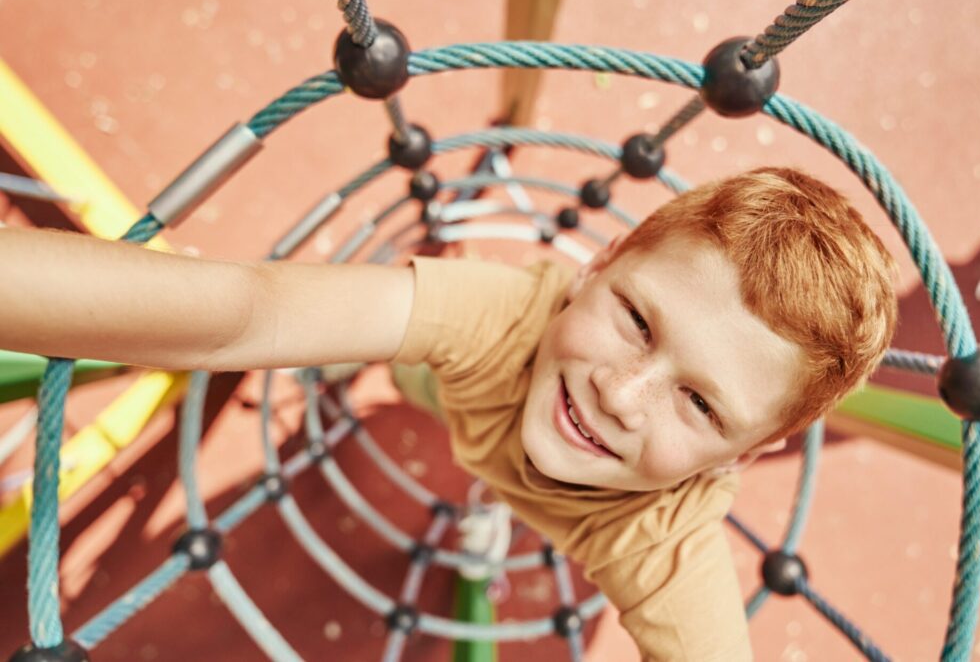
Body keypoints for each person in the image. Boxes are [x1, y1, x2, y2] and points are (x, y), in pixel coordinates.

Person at [0, 166, 897, 660]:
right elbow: (247, 311)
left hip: (584, 512)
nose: (618, 394)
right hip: (456, 383)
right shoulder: (505, 317)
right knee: (410, 386)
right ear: (596, 264)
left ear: (743, 454)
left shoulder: (662, 543)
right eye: (634, 318)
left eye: (699, 403)